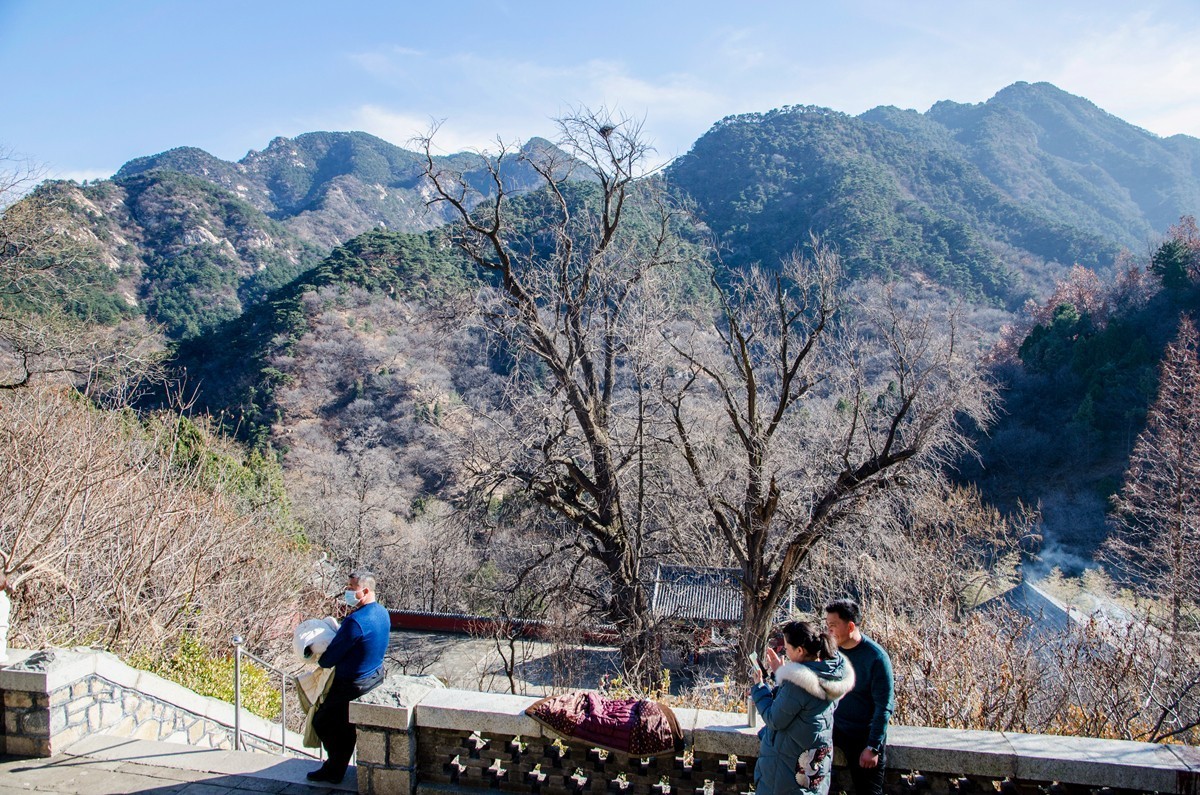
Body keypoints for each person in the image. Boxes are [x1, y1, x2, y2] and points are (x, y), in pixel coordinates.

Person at [750, 621, 855, 795]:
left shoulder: (797, 684)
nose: (785, 652)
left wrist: (759, 687)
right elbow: (799, 705)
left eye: (788, 648)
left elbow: (774, 719)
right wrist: (782, 674)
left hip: (787, 770)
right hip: (813, 768)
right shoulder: (831, 676)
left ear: (800, 650)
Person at [307, 570, 390, 783]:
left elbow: (328, 659)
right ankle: (336, 768)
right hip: (375, 677)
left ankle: (334, 769)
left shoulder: (356, 621)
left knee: (323, 722)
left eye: (352, 589)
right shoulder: (382, 612)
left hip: (351, 685)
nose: (348, 593)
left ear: (365, 590)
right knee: (344, 727)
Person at [824, 599, 894, 795]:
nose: (829, 631)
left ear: (851, 626)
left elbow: (884, 706)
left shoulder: (876, 658)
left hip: (863, 733)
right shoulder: (831, 652)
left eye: (833, 626)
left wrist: (873, 747)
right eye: (827, 625)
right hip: (835, 726)